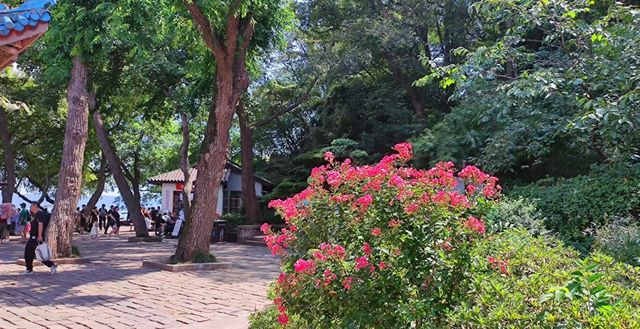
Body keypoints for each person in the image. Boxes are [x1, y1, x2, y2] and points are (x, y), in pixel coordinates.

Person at [24, 202, 57, 275]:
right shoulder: (36, 215)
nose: (30, 208)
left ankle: (52, 265)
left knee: (40, 253)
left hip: (36, 237)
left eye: (31, 206)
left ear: (34, 206)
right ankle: (29, 269)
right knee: (28, 253)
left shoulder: (40, 214)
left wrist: (39, 235)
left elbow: (40, 225)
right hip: (32, 236)